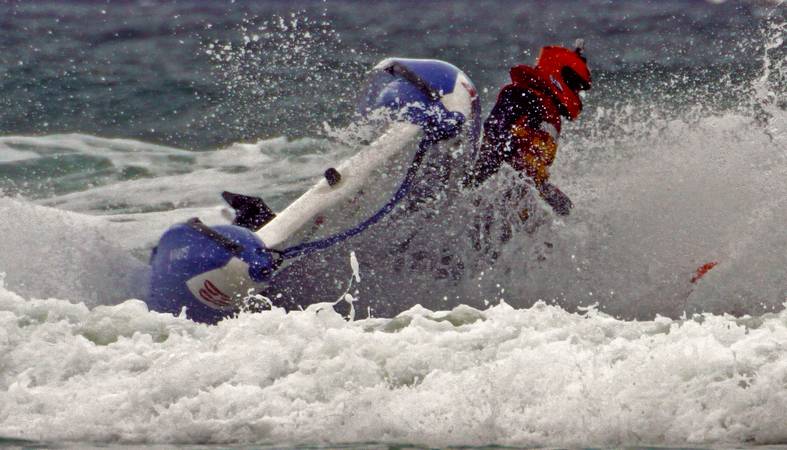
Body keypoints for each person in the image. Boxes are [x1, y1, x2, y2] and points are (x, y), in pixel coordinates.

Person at [467, 41, 592, 216]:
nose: (577, 96)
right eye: (576, 88)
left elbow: (533, 170)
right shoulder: (522, 94)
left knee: (567, 213)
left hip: (520, 195)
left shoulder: (549, 112)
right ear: (562, 76)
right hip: (494, 189)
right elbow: (495, 136)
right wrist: (477, 179)